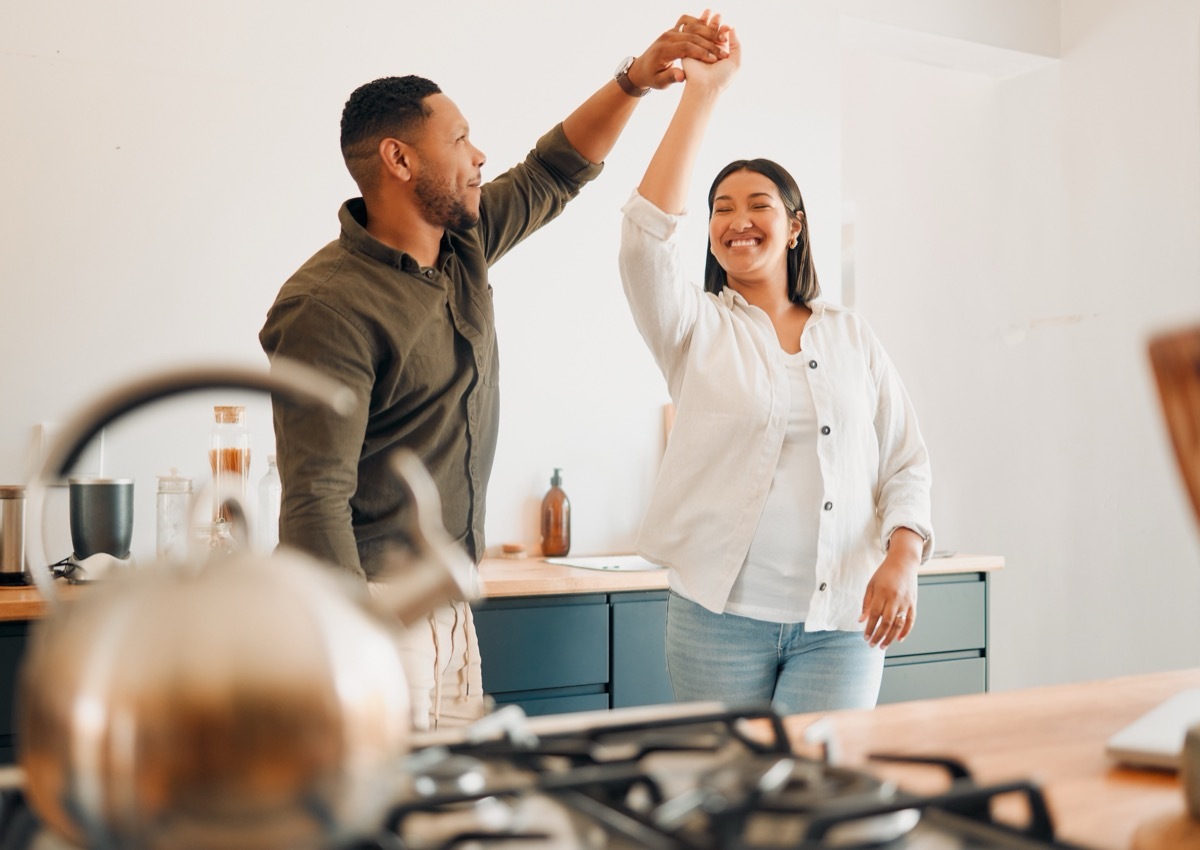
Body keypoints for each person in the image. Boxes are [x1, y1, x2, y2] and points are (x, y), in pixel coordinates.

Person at [259, 14, 728, 732]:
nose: (480, 155)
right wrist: (353, 646)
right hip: (377, 612)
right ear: (398, 159)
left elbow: (554, 170)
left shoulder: (460, 249)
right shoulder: (327, 305)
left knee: (445, 814)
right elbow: (314, 496)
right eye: (458, 140)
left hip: (450, 607)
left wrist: (636, 79)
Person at [617, 22, 934, 714]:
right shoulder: (694, 327)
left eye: (758, 205)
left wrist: (903, 557)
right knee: (729, 801)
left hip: (843, 627)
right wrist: (702, 96)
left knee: (822, 802)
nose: (738, 220)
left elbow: (906, 463)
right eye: (721, 209)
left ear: (795, 226)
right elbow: (644, 243)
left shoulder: (852, 336)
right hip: (717, 622)